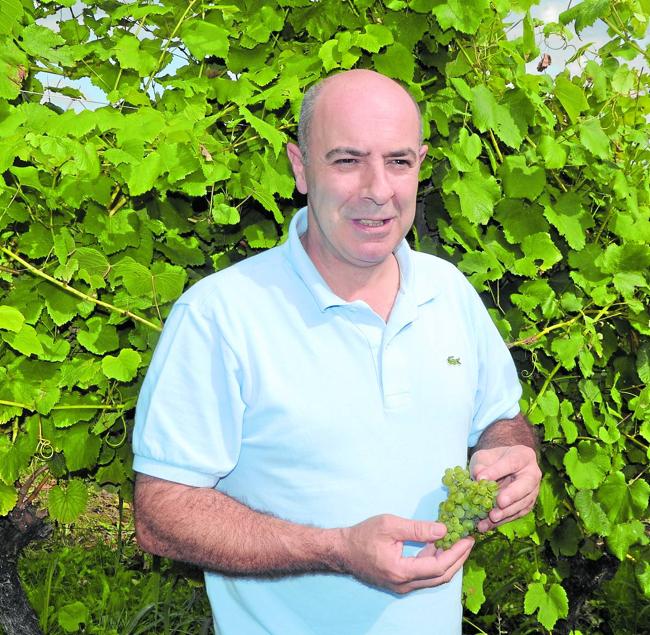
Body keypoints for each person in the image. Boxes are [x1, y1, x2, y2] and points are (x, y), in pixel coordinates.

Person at [132, 69, 541, 634]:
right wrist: (338, 550)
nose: (378, 188)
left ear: (420, 164)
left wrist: (512, 458)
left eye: (399, 161)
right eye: (347, 160)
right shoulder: (220, 316)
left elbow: (501, 419)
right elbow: (161, 513)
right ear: (301, 169)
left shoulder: (448, 293)